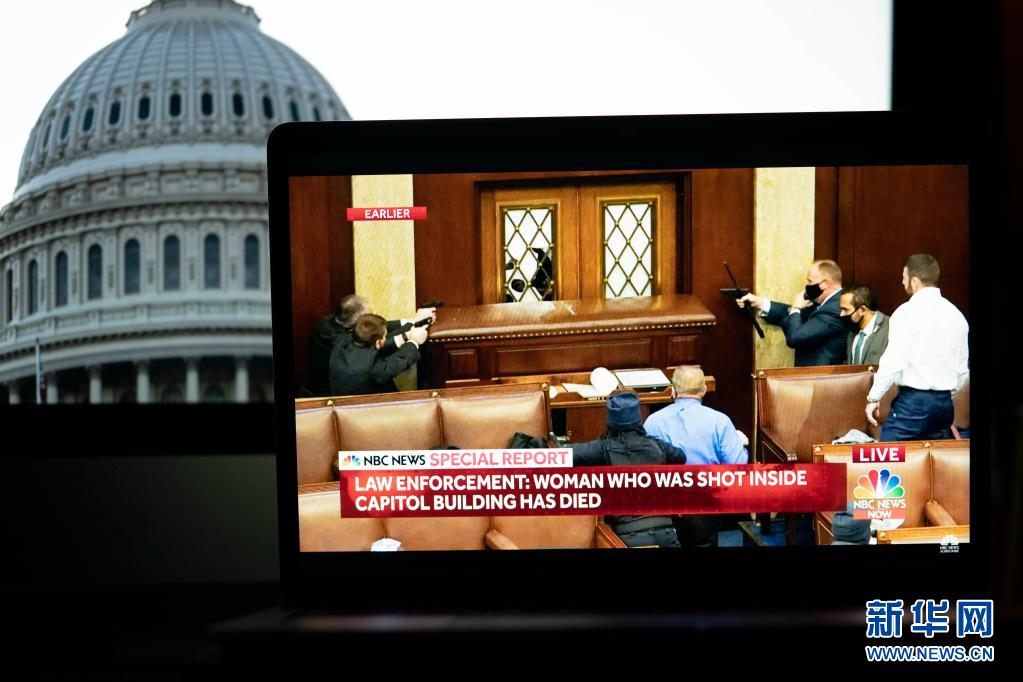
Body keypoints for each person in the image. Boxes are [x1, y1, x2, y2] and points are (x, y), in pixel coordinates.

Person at [865, 254, 969, 441]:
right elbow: (962, 371)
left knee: (889, 456)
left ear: (914, 282)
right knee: (933, 458)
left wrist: (874, 398)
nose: (902, 282)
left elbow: (893, 361)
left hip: (913, 404)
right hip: (944, 405)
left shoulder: (906, 313)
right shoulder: (957, 316)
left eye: (904, 277)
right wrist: (944, 395)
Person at [643, 366, 748, 547]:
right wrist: (740, 445)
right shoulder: (720, 421)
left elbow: (644, 466)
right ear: (704, 390)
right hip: (705, 507)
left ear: (673, 391)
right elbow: (737, 467)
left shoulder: (653, 422)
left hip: (664, 509)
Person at [571, 389, 686, 549]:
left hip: (627, 537)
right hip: (666, 533)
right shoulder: (658, 446)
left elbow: (565, 456)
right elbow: (680, 457)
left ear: (610, 419)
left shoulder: (602, 448)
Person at [305, 294, 435, 396]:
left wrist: (412, 321)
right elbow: (395, 362)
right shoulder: (339, 343)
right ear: (357, 325)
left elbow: (376, 330)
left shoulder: (336, 324)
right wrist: (413, 341)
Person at [737, 259, 846, 366]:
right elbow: (793, 315)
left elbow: (795, 338)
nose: (807, 286)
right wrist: (760, 302)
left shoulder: (835, 308)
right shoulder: (827, 302)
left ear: (825, 283)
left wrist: (796, 307)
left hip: (819, 375)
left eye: (810, 281)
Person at [328, 314, 428, 396]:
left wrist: (410, 327)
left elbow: (379, 337)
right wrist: (414, 341)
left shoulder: (341, 342)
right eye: (385, 336)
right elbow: (398, 362)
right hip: (368, 408)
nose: (386, 338)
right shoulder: (372, 366)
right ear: (377, 342)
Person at [839, 285, 890, 365]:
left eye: (845, 309)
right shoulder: (852, 329)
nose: (841, 314)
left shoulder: (890, 328)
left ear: (862, 310)